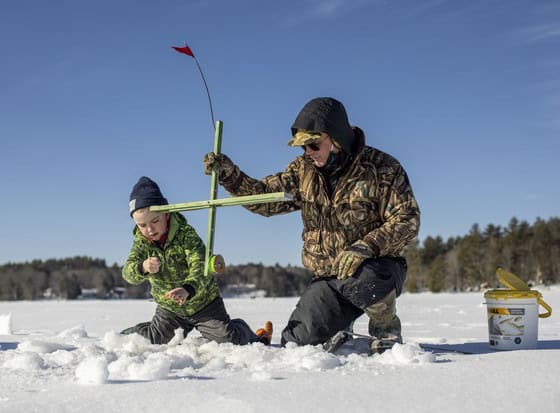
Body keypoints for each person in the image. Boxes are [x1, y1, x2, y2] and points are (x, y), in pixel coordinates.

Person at [203, 97, 420, 353]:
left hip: (376, 269)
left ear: (336, 139)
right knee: (295, 343)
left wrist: (366, 246)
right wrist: (230, 175)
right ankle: (339, 325)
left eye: (314, 145)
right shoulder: (302, 170)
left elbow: (407, 219)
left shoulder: (382, 168)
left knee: (365, 280)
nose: (308, 152)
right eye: (304, 147)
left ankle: (386, 331)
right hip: (327, 278)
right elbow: (266, 200)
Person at [121, 176, 273, 345]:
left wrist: (188, 289)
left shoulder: (185, 235)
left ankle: (251, 333)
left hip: (204, 304)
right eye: (142, 225)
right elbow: (127, 273)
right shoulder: (141, 244)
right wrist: (142, 267)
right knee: (154, 340)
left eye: (155, 221)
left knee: (228, 340)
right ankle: (121, 337)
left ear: (166, 213)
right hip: (170, 308)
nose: (149, 229)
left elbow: (199, 265)